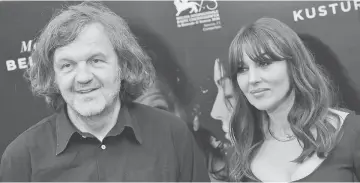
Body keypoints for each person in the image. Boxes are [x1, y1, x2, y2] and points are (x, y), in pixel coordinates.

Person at [0, 2, 209, 182]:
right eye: (67, 65)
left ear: (123, 65)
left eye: (96, 60)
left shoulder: (173, 135)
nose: (83, 77)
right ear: (53, 77)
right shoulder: (22, 158)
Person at [226, 17, 360, 182]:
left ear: (294, 65)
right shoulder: (241, 155)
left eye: (264, 63)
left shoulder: (351, 132)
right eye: (242, 69)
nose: (252, 79)